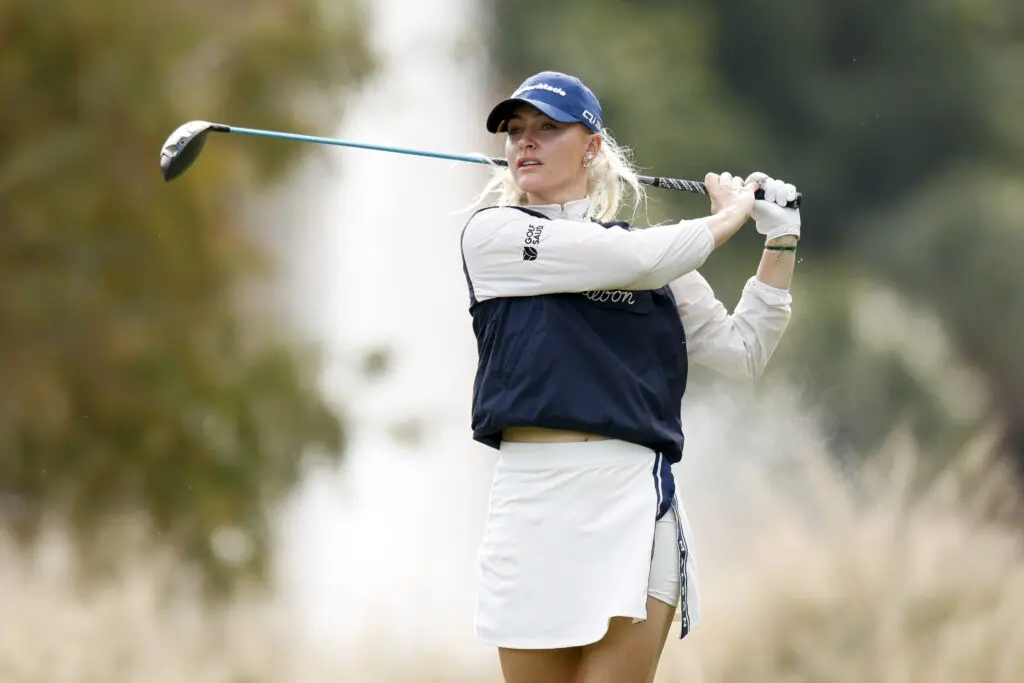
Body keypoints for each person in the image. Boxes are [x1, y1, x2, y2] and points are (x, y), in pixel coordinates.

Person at [459, 70, 800, 683]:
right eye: (515, 131)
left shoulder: (656, 258)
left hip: (627, 503)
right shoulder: (494, 236)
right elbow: (638, 260)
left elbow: (740, 349)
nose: (525, 143)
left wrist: (780, 240)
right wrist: (729, 216)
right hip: (529, 507)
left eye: (547, 128)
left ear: (592, 147)